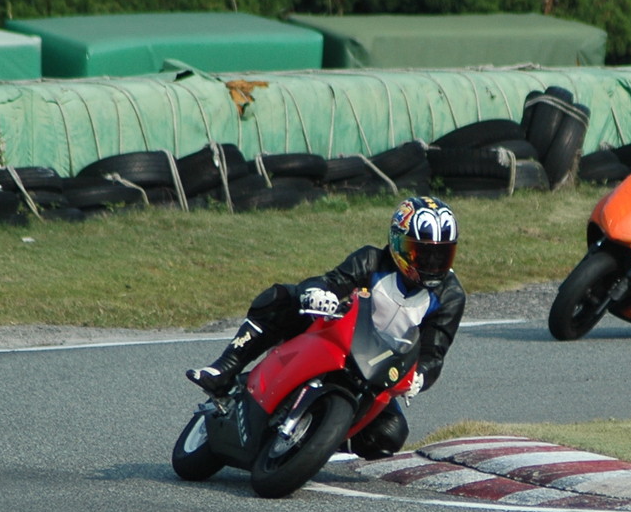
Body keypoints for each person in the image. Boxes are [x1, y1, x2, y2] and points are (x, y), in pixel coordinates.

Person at [185, 195, 466, 460]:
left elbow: (434, 353)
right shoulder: (371, 260)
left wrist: (420, 376)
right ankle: (225, 368)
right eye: (421, 254)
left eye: (441, 255)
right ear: (397, 243)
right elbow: (330, 281)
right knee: (282, 298)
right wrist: (320, 293)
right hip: (337, 339)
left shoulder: (450, 296)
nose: (431, 264)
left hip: (378, 371)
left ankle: (319, 442)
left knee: (389, 435)